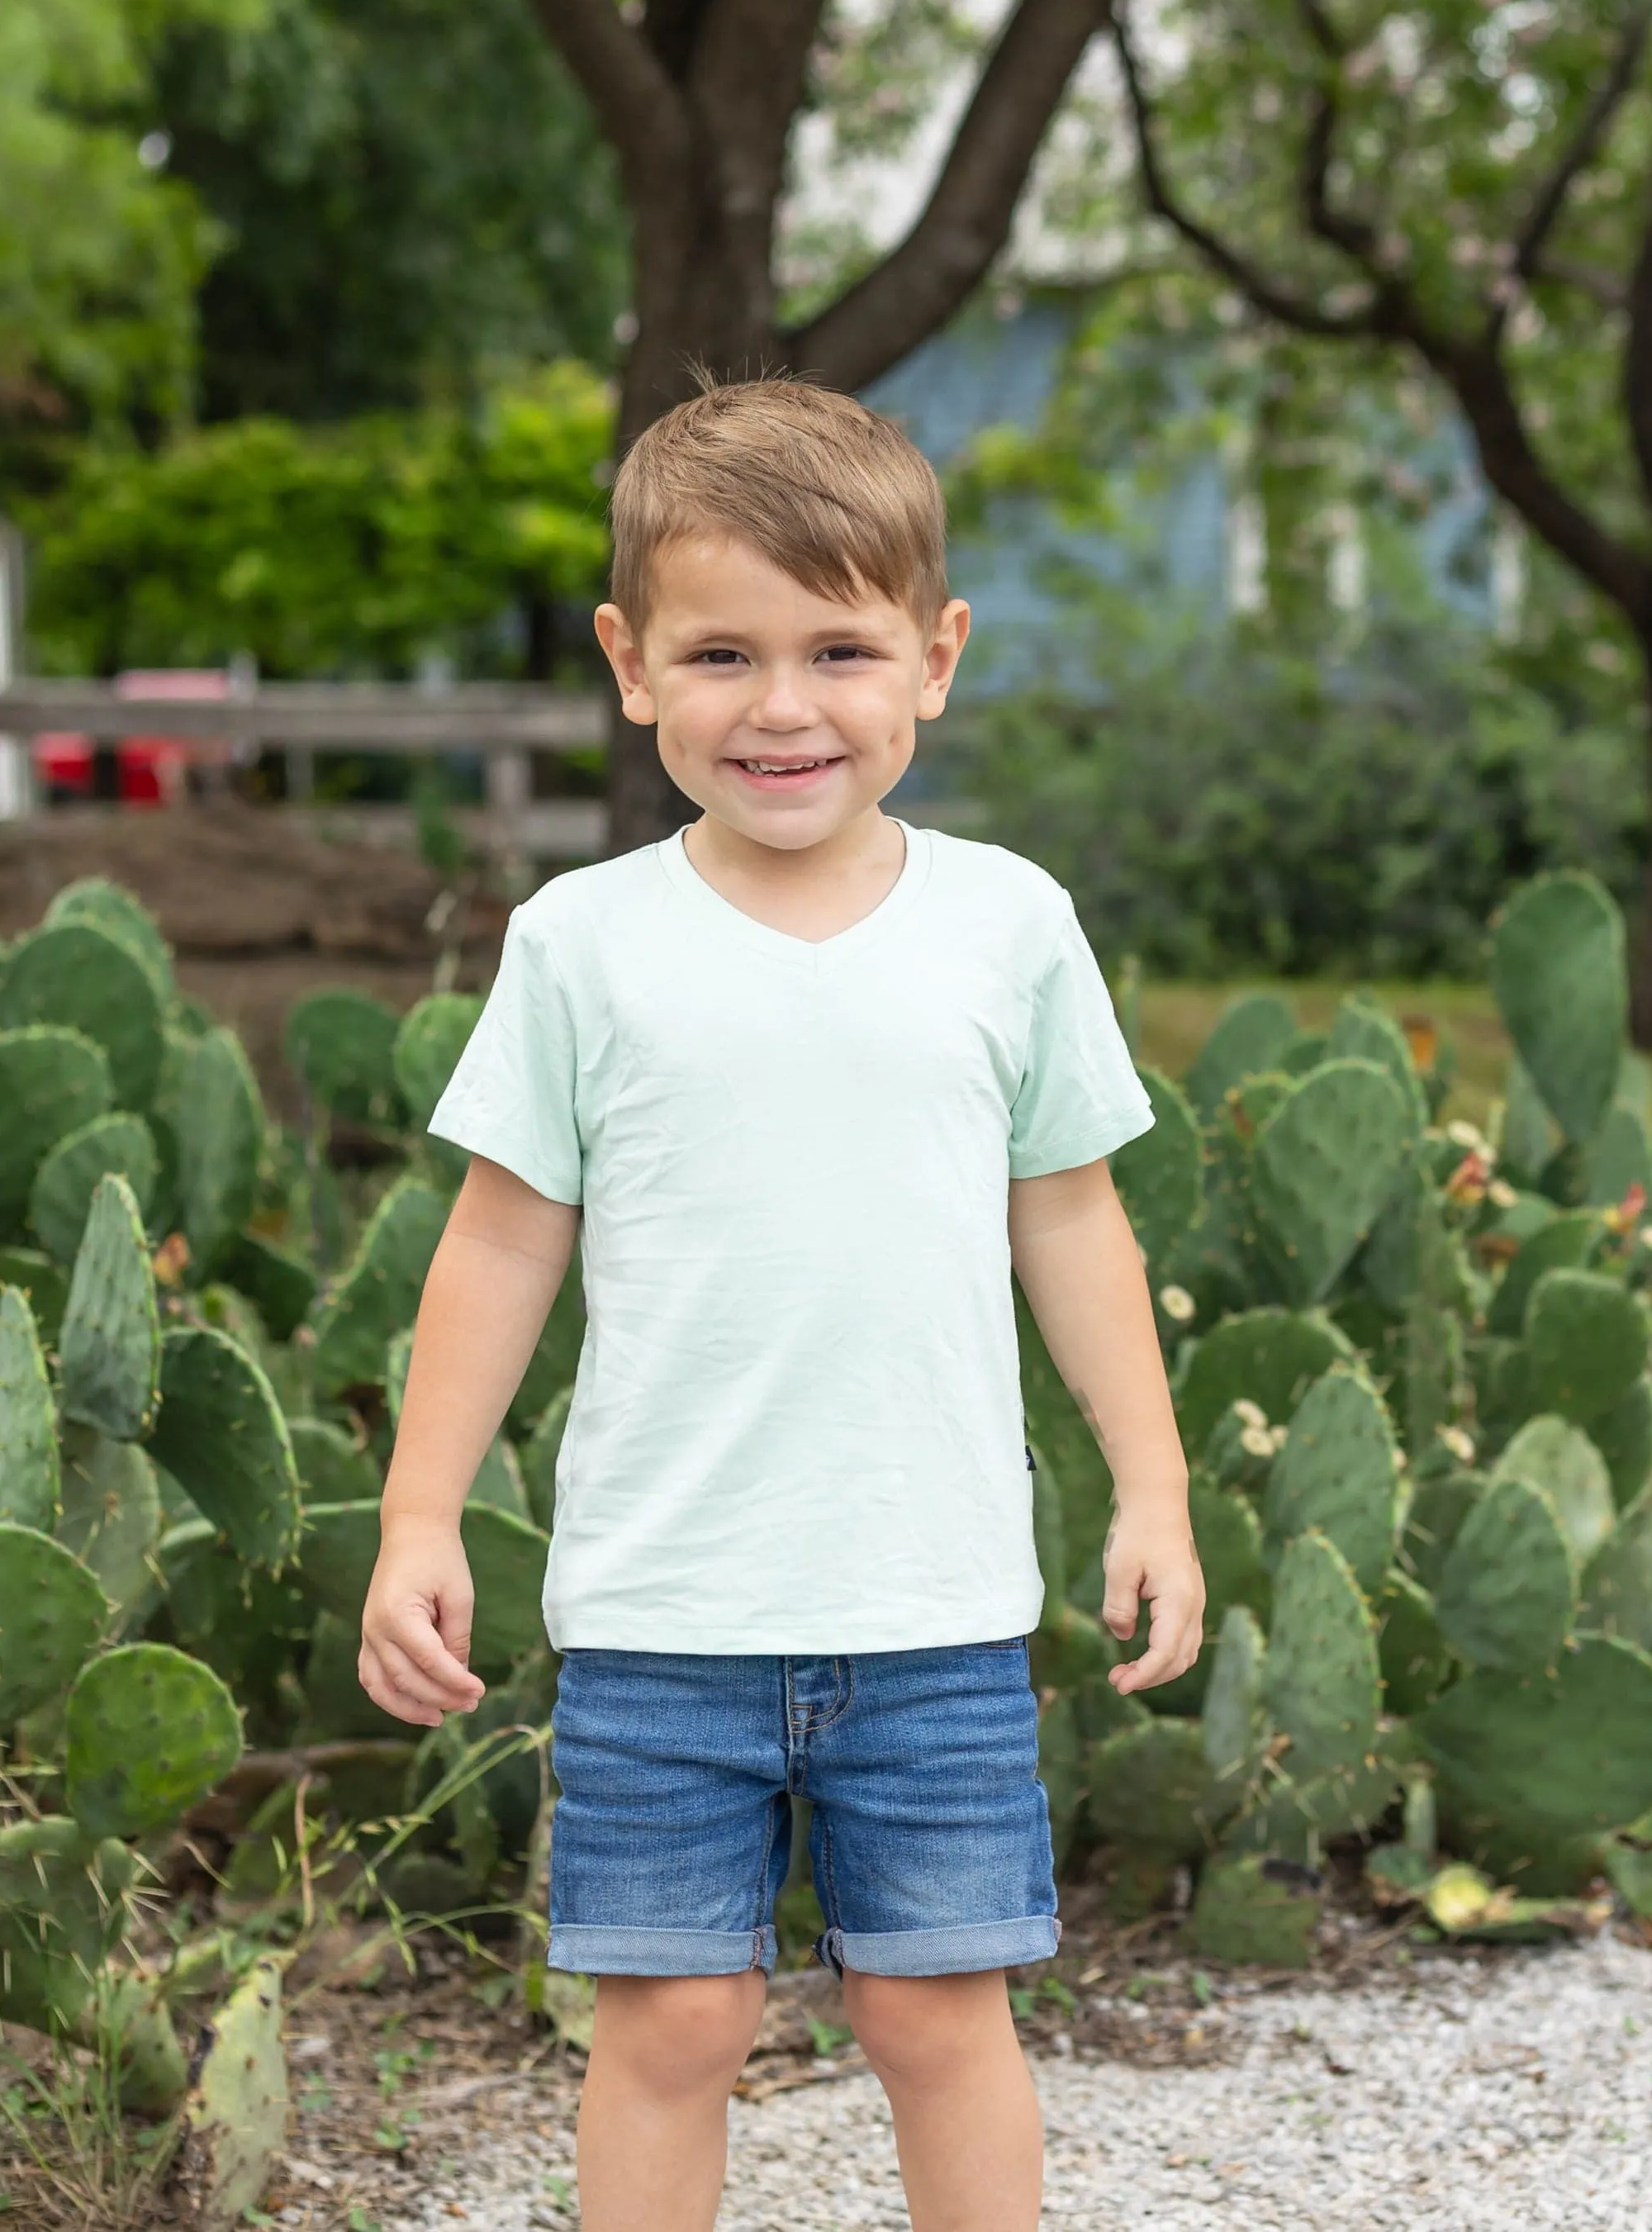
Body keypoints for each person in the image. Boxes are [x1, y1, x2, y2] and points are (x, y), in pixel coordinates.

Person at [358, 376, 1204, 2231]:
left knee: (933, 2014)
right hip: (666, 1612)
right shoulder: (583, 943)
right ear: (631, 662)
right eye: (722, 652)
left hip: (936, 1609)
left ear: (937, 657)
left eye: (841, 648)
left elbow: (1071, 1222)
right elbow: (500, 1244)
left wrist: (1152, 1488)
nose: (786, 706)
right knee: (671, 2026)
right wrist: (423, 1512)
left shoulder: (1008, 926)